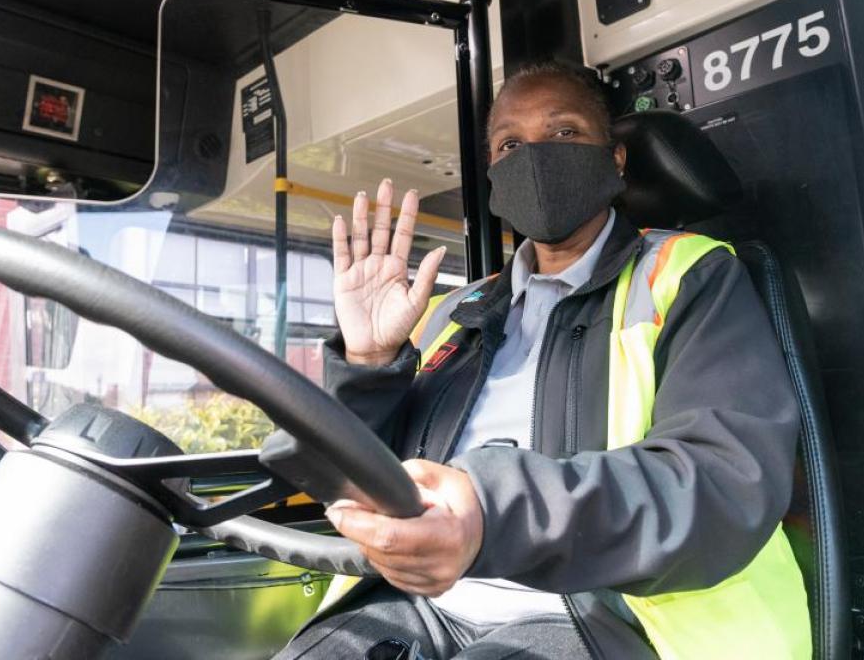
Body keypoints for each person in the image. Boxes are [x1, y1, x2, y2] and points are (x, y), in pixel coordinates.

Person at [276, 63, 810, 659]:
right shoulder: (457, 310)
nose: (535, 157)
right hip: (419, 602)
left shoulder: (689, 275)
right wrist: (369, 361)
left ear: (615, 159)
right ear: (496, 178)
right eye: (510, 144)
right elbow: (363, 478)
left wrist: (492, 513)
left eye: (564, 134)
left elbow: (720, 481)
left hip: (602, 611)